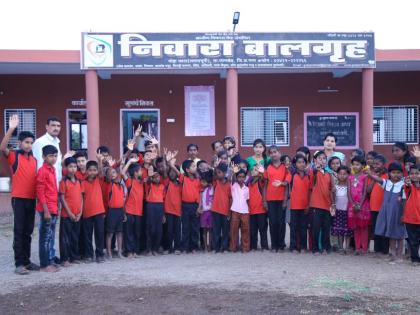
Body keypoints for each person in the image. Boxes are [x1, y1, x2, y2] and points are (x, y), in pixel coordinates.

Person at [0, 114, 39, 275]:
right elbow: (2, 148)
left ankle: (27, 261)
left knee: (29, 231)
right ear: (19, 143)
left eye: (31, 143)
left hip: (31, 199)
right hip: (19, 199)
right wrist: (11, 128)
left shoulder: (35, 160)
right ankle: (19, 263)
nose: (29, 145)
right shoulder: (14, 156)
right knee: (19, 231)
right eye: (26, 142)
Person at [369, 162, 407, 263]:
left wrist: (404, 214)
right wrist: (370, 174)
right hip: (387, 212)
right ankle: (393, 254)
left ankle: (400, 255)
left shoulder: (403, 186)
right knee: (390, 234)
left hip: (398, 213)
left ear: (402, 174)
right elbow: (378, 179)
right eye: (393, 172)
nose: (396, 175)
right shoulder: (387, 183)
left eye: (398, 172)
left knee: (399, 235)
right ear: (389, 173)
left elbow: (404, 201)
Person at [36, 145, 59, 272]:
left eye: (55, 156)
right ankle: (44, 265)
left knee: (50, 237)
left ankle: (50, 261)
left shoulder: (53, 169)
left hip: (53, 208)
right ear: (44, 157)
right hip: (46, 209)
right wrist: (46, 210)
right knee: (44, 238)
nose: (53, 158)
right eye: (51, 156)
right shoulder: (42, 171)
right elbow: (40, 192)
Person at [59, 157, 83, 266]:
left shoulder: (78, 181)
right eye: (70, 167)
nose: (73, 169)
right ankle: (65, 259)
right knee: (65, 238)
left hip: (77, 215)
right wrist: (69, 213)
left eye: (74, 167)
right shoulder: (63, 181)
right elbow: (62, 198)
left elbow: (81, 198)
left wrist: (80, 212)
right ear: (66, 168)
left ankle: (74, 257)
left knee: (75, 237)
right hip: (66, 215)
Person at [263, 145, 288, 252]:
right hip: (270, 200)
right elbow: (265, 185)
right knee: (272, 223)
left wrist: (285, 200)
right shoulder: (268, 168)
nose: (273, 154)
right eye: (271, 153)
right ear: (269, 155)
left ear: (279, 153)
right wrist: (264, 200)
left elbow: (286, 185)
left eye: (275, 152)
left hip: (281, 199)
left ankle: (281, 245)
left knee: (281, 223)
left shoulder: (285, 167)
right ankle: (274, 245)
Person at [310, 150, 335, 255]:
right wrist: (316, 169)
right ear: (315, 160)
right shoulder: (313, 172)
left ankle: (326, 247)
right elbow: (314, 174)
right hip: (316, 204)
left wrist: (333, 203)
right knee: (316, 227)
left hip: (327, 205)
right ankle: (315, 248)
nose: (322, 160)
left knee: (326, 227)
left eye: (324, 158)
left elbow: (331, 189)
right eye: (319, 158)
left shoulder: (329, 174)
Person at [82, 160, 106, 263]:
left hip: (99, 211)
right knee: (87, 235)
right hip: (87, 212)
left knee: (99, 234)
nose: (92, 172)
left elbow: (101, 171)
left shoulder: (98, 180)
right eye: (90, 170)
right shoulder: (82, 182)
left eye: (94, 170)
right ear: (86, 171)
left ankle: (100, 254)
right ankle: (89, 255)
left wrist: (100, 161)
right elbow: (81, 198)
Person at [347, 156, 371, 255]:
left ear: (363, 166)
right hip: (352, 206)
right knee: (356, 227)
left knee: (364, 227)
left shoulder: (365, 177)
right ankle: (357, 248)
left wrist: (360, 204)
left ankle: (364, 248)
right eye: (354, 164)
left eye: (358, 164)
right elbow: (348, 191)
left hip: (363, 205)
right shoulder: (350, 177)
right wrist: (353, 204)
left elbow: (365, 191)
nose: (355, 166)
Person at [122, 157, 144, 258]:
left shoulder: (141, 183)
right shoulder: (130, 181)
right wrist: (130, 162)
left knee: (137, 233)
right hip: (130, 211)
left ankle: (135, 251)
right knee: (129, 233)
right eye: (140, 171)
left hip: (139, 212)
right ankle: (129, 251)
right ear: (135, 173)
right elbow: (122, 173)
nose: (142, 172)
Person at [367, 154, 389, 255]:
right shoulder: (372, 175)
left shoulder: (388, 176)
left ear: (384, 165)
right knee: (376, 228)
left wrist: (378, 177)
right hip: (374, 207)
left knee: (384, 228)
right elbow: (368, 190)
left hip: (383, 207)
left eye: (378, 164)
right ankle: (377, 249)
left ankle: (385, 250)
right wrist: (375, 177)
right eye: (374, 164)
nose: (375, 165)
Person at [289, 154, 311, 253]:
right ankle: (293, 247)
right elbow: (286, 185)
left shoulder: (309, 176)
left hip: (305, 206)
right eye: (299, 162)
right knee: (293, 227)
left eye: (303, 162)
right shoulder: (292, 175)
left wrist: (308, 205)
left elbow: (310, 191)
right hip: (294, 206)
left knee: (303, 227)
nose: (301, 164)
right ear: (295, 164)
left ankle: (303, 247)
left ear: (306, 164)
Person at [32, 117, 62, 185]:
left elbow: (57, 163)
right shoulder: (40, 142)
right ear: (47, 127)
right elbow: (39, 164)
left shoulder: (56, 142)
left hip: (56, 183)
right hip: (46, 184)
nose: (56, 128)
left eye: (58, 126)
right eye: (53, 125)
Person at [180, 160, 201, 253]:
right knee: (185, 227)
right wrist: (170, 163)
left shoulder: (198, 180)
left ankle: (194, 247)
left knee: (195, 227)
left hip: (195, 206)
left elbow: (199, 194)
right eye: (193, 166)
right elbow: (177, 172)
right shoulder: (183, 178)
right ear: (187, 170)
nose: (195, 168)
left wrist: (199, 207)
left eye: (195, 166)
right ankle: (185, 247)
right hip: (185, 205)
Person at [105, 167, 126, 259]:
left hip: (120, 211)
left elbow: (123, 201)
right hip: (111, 211)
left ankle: (119, 252)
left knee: (120, 233)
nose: (112, 173)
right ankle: (109, 253)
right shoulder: (109, 185)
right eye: (110, 173)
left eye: (114, 172)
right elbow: (109, 177)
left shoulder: (121, 186)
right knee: (110, 233)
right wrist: (110, 169)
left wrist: (124, 213)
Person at [331, 166, 353, 253]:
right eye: (340, 174)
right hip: (338, 210)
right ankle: (340, 247)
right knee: (339, 229)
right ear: (337, 175)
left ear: (348, 175)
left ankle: (346, 247)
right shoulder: (335, 187)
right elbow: (333, 199)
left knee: (347, 229)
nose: (342, 176)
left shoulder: (350, 187)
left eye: (344, 174)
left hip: (347, 211)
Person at [145, 166, 166, 256]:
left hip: (160, 207)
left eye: (158, 177)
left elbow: (164, 200)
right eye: (155, 177)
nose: (157, 178)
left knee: (159, 230)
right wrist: (150, 176)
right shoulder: (149, 185)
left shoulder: (162, 186)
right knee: (151, 229)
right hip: (151, 206)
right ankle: (149, 249)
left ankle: (155, 249)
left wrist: (164, 214)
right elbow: (148, 181)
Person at [211, 163, 232, 253]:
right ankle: (215, 247)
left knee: (225, 230)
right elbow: (214, 175)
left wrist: (229, 212)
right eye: (217, 172)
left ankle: (225, 247)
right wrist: (215, 166)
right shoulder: (215, 182)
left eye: (219, 172)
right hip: (215, 210)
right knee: (216, 230)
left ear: (224, 173)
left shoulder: (229, 184)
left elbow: (231, 199)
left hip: (225, 211)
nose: (217, 174)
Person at [229, 168, 250, 253]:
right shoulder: (234, 186)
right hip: (235, 210)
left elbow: (247, 200)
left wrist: (248, 209)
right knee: (234, 230)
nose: (241, 179)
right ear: (236, 178)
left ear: (245, 178)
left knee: (245, 230)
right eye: (239, 177)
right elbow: (232, 179)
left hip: (245, 211)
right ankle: (233, 247)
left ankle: (245, 247)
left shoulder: (247, 188)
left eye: (243, 177)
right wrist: (233, 173)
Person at [403, 164, 420, 264]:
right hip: (411, 219)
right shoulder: (408, 186)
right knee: (413, 241)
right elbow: (407, 184)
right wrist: (408, 182)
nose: (414, 175)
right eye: (412, 173)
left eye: (417, 173)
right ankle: (415, 259)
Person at [248, 164, 268, 251]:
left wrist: (262, 172)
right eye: (252, 169)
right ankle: (253, 246)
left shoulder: (261, 181)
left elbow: (265, 178)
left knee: (262, 230)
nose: (253, 171)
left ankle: (264, 246)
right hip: (251, 211)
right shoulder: (249, 183)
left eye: (255, 169)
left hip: (261, 211)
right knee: (253, 230)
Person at [165, 159, 182, 254]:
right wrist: (168, 162)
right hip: (168, 210)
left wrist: (172, 166)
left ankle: (177, 247)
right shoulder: (167, 182)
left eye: (173, 172)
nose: (172, 174)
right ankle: (169, 248)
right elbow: (165, 172)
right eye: (170, 172)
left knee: (177, 230)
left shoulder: (180, 184)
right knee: (169, 230)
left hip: (178, 211)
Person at [197, 170, 214, 252]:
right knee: (204, 230)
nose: (202, 183)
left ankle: (210, 245)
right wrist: (199, 209)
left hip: (211, 212)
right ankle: (205, 246)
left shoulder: (212, 189)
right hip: (204, 212)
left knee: (210, 230)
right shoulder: (201, 191)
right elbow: (200, 201)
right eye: (201, 181)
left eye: (204, 182)